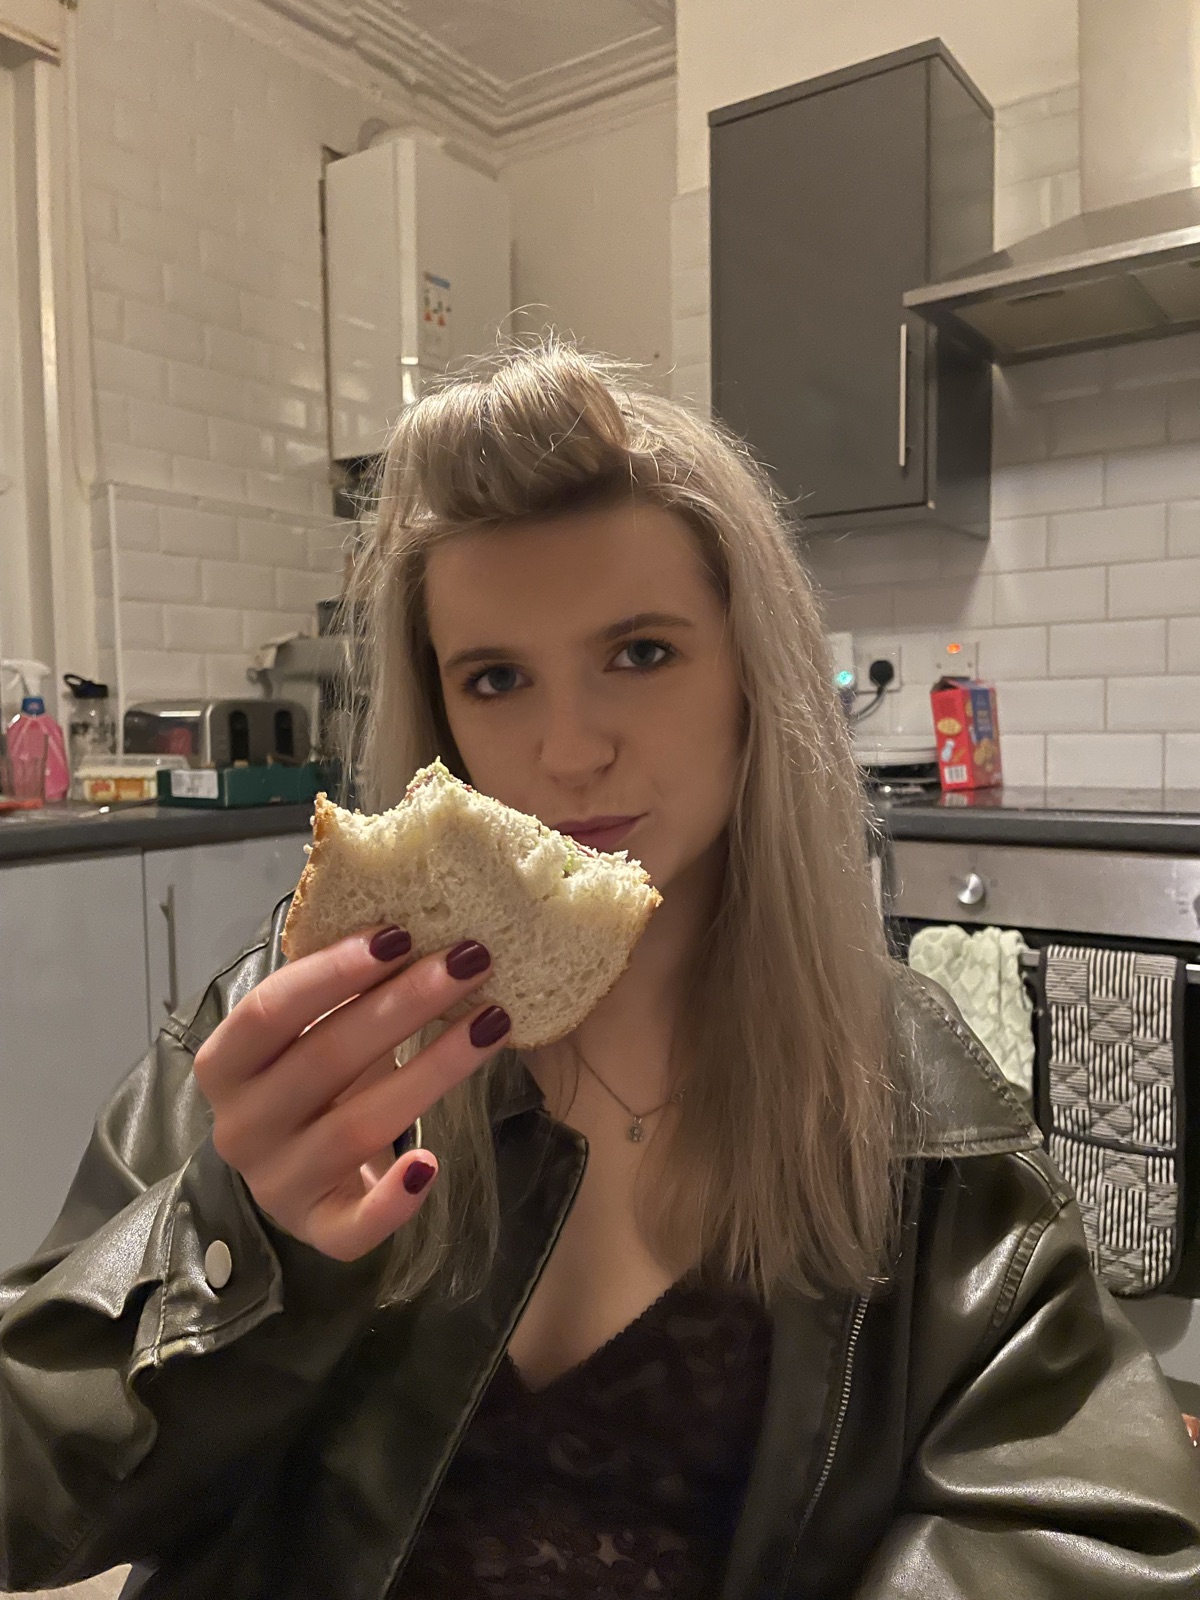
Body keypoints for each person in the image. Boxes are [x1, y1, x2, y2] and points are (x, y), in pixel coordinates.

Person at [1, 342, 1199, 1600]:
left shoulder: (908, 1108)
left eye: (640, 652)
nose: (569, 750)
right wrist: (237, 1241)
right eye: (496, 678)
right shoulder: (303, 1039)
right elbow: (28, 1499)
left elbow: (1106, 1537)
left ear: (754, 674)